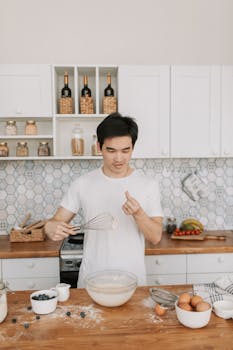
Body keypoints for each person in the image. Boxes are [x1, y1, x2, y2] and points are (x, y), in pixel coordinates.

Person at [45, 112, 163, 287]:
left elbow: (155, 237)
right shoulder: (82, 184)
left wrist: (138, 214)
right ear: (99, 147)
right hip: (92, 280)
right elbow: (53, 224)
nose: (119, 158)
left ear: (133, 147)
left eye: (125, 150)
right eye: (111, 150)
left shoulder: (148, 185)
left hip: (133, 281)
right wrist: (51, 227)